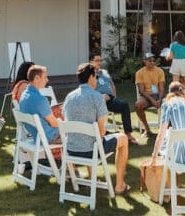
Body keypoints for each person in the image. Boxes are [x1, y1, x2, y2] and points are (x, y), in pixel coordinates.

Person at [62, 62, 130, 193]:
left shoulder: (69, 97)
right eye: (96, 77)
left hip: (70, 149)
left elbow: (67, 123)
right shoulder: (97, 98)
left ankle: (93, 179)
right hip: (90, 150)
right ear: (91, 78)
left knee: (91, 138)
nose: (97, 80)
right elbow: (102, 131)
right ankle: (120, 185)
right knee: (123, 138)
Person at [150, 83, 185, 168]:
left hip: (179, 157)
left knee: (167, 134)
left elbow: (161, 134)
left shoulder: (167, 104)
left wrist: (154, 157)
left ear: (170, 93)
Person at [89, 54, 139, 143]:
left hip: (110, 99)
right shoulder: (89, 74)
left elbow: (112, 85)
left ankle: (128, 134)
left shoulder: (104, 72)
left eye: (100, 60)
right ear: (91, 62)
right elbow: (88, 90)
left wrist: (114, 97)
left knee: (124, 104)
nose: (99, 62)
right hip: (97, 100)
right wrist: (101, 97)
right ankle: (100, 134)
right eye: (97, 60)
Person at [17, 64, 60, 144]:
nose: (47, 80)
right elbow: (54, 123)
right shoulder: (40, 100)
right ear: (36, 78)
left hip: (36, 137)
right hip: (50, 138)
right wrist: (66, 123)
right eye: (45, 77)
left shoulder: (23, 96)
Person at [134, 53, 166, 135]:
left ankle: (167, 129)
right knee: (138, 105)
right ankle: (147, 129)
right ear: (144, 61)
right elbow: (141, 91)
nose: (152, 62)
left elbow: (162, 88)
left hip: (159, 95)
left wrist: (159, 99)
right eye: (149, 61)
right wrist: (151, 100)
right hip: (147, 96)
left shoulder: (160, 71)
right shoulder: (139, 73)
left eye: (153, 61)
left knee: (171, 103)